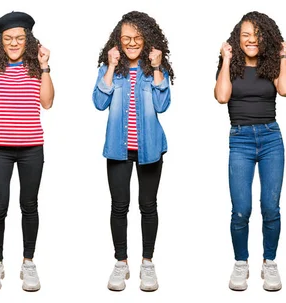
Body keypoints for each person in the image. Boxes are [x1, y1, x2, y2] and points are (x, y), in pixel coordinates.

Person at [92, 10, 174, 292]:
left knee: (148, 206)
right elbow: (99, 103)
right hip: (118, 149)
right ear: (118, 40)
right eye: (126, 38)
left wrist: (158, 67)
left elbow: (163, 105)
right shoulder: (110, 69)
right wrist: (112, 66)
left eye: (137, 38)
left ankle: (147, 263)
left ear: (147, 40)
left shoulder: (153, 70)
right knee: (119, 206)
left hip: (150, 148)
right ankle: (121, 262)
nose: (131, 43)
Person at [0, 11, 54, 292]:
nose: (14, 42)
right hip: (0, 150)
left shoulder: (36, 67)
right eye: (8, 38)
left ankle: (28, 262)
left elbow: (47, 103)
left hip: (32, 148)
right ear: (0, 41)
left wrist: (45, 66)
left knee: (29, 206)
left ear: (28, 40)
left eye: (20, 38)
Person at [214, 11, 286, 291]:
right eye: (246, 35)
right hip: (240, 140)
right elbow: (222, 96)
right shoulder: (230, 66)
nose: (251, 40)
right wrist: (225, 60)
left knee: (270, 207)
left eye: (257, 35)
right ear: (237, 38)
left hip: (271, 138)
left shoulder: (271, 63)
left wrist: (283, 56)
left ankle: (269, 263)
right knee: (241, 209)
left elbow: (285, 90)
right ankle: (241, 263)